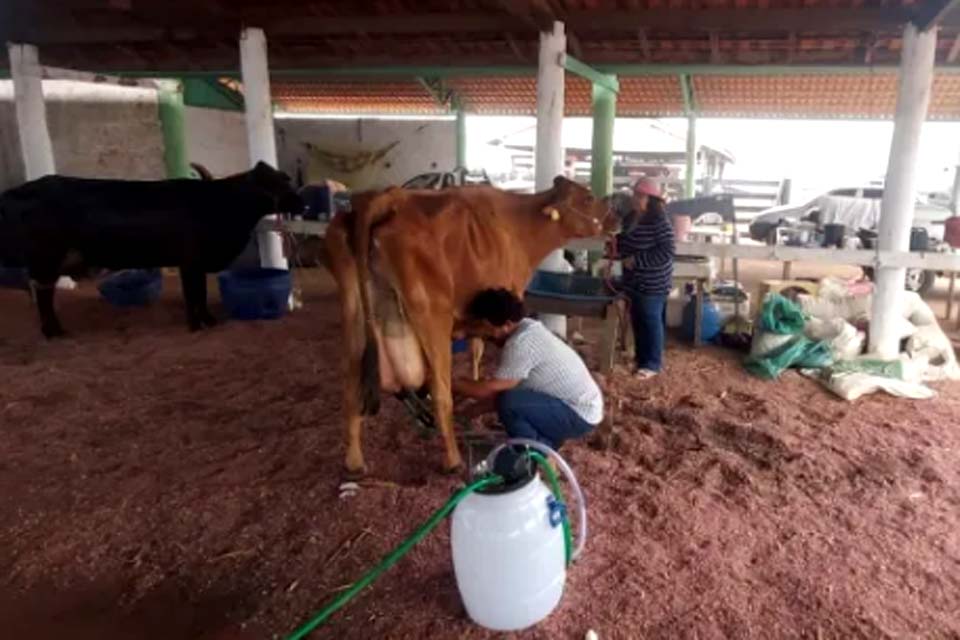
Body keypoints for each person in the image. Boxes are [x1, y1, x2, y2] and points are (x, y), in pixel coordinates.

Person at [452, 289, 603, 450]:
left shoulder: (521, 343)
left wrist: (448, 382)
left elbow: (488, 391)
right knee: (509, 399)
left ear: (508, 324)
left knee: (510, 403)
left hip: (578, 413)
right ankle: (546, 440)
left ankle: (535, 451)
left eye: (488, 327)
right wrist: (465, 414)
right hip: (576, 405)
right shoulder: (528, 327)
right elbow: (499, 392)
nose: (486, 333)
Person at [616, 177, 675, 379]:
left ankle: (652, 364)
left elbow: (667, 251)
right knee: (638, 320)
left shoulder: (659, 221)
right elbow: (623, 240)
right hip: (634, 281)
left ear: (653, 200)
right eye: (636, 194)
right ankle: (642, 359)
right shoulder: (631, 218)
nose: (636, 199)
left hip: (653, 282)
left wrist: (636, 260)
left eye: (641, 196)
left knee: (650, 321)